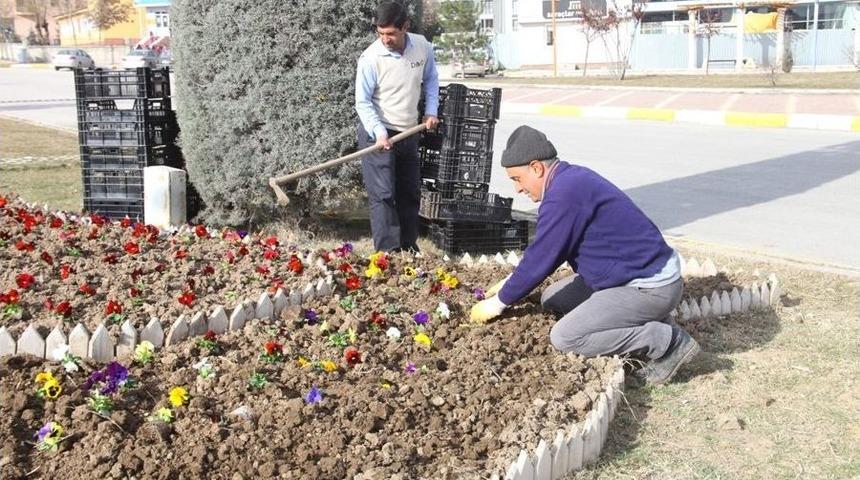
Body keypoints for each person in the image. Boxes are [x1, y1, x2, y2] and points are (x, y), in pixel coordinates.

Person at [470, 126, 700, 385]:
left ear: (536, 168)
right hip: (631, 276)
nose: (517, 189)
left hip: (649, 288)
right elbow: (548, 250)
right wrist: (514, 280)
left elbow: (543, 256)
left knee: (565, 338)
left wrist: (500, 301)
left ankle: (666, 342)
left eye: (517, 179)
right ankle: (644, 318)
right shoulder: (569, 179)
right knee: (552, 298)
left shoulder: (563, 196)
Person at [355, 1, 439, 252]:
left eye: (390, 33)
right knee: (383, 196)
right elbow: (362, 102)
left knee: (409, 192)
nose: (385, 39)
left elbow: (431, 79)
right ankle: (388, 254)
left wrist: (431, 111)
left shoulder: (422, 46)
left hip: (408, 131)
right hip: (378, 134)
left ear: (405, 27)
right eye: (380, 33)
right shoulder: (371, 58)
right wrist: (380, 133)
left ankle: (409, 248)